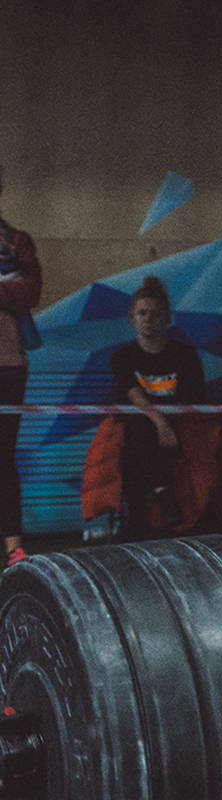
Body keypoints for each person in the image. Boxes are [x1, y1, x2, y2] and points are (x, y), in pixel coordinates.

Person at [109, 276, 206, 539]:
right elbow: (132, 392)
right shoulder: (123, 357)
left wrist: (167, 422)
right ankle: (164, 496)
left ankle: (138, 520)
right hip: (145, 424)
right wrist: (160, 423)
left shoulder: (184, 355)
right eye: (142, 313)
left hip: (179, 424)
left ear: (166, 317)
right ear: (132, 317)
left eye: (155, 313)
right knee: (138, 432)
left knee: (140, 438)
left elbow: (192, 398)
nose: (148, 319)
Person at [0, 165, 42, 567]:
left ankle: (13, 548)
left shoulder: (16, 241)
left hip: (8, 365)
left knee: (2, 457)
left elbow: (30, 290)